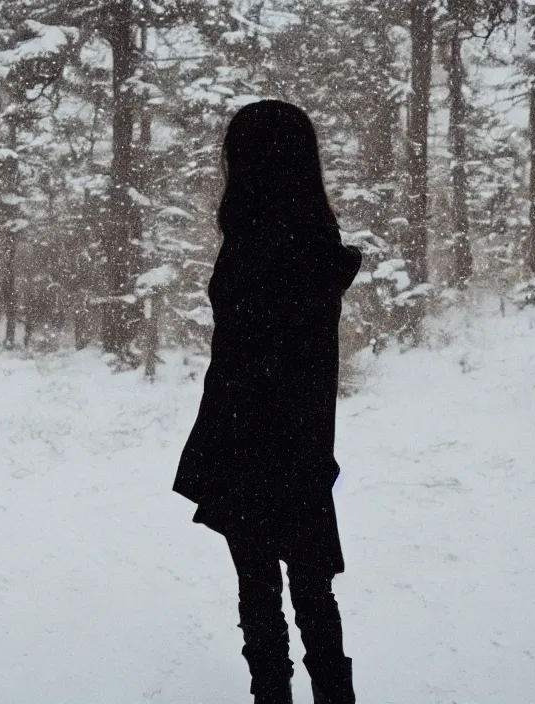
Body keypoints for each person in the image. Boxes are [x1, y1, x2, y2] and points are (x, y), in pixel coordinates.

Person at [174, 100, 363, 704]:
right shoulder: (314, 239)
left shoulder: (258, 243)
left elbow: (242, 354)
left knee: (262, 586)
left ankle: (274, 696)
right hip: (300, 442)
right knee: (309, 590)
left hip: (247, 439)